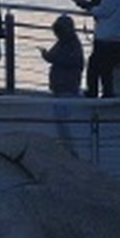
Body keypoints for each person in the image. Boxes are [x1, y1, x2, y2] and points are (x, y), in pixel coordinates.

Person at [42, 13, 85, 152]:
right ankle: (65, 145)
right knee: (59, 120)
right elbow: (54, 57)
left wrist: (51, 57)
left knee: (64, 120)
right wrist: (47, 56)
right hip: (59, 86)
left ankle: (69, 147)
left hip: (68, 86)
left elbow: (71, 61)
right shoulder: (63, 43)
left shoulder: (73, 46)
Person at [71, 0, 108, 97]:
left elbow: (96, 7)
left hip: (105, 32)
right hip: (102, 30)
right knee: (101, 64)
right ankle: (102, 92)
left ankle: (94, 92)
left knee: (95, 64)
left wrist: (80, 2)